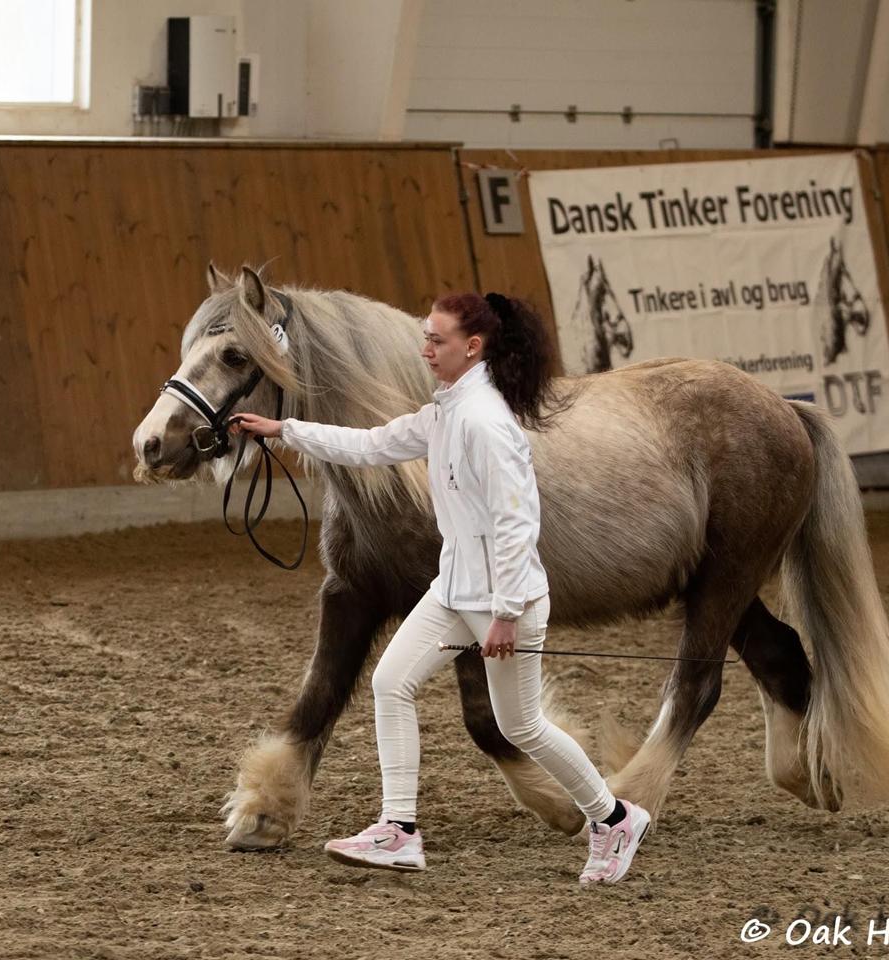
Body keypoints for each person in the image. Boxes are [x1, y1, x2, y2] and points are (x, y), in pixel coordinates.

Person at [228, 292, 650, 885]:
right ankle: (398, 830)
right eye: (424, 336)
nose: (424, 348)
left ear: (471, 347)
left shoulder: (485, 422)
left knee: (522, 726)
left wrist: (506, 614)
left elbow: (517, 524)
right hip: (454, 592)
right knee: (391, 682)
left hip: (503, 600)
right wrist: (284, 430)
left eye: (436, 340)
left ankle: (614, 818)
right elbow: (371, 445)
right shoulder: (446, 412)